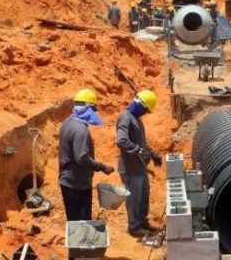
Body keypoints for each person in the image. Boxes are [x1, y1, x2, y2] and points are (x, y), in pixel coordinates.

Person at [58, 88, 114, 221]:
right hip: (77, 184)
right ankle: (80, 242)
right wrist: (102, 167)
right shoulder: (80, 130)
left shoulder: (67, 123)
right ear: (88, 109)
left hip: (68, 181)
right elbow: (82, 158)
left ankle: (75, 241)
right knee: (82, 222)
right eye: (93, 110)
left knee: (73, 220)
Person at [116, 89, 161, 236]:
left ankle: (142, 221)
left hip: (139, 166)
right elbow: (121, 140)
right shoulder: (125, 118)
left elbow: (141, 142)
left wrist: (152, 153)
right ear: (140, 104)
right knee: (134, 198)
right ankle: (134, 227)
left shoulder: (136, 119)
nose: (146, 113)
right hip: (130, 168)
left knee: (143, 196)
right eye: (146, 109)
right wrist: (138, 150)